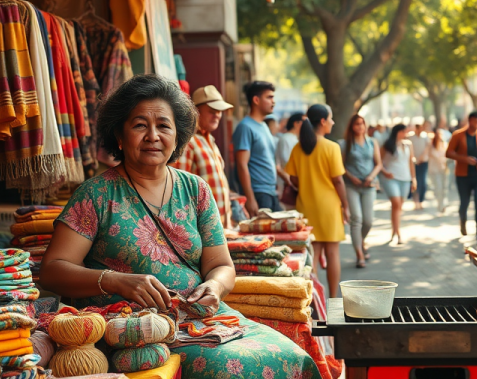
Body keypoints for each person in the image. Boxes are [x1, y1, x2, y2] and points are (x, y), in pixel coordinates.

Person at [41, 75, 319, 376]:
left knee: (293, 356)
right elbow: (53, 270)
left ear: (177, 136)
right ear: (119, 136)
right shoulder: (96, 194)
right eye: (139, 125)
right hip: (136, 331)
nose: (152, 136)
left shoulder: (195, 189)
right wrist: (116, 280)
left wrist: (214, 286)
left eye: (163, 125)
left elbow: (222, 265)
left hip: (204, 319)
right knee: (231, 370)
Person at [285, 104, 350, 298]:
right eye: (330, 118)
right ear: (322, 121)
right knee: (332, 254)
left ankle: (314, 302)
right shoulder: (332, 147)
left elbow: (293, 179)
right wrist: (346, 205)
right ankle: (332, 300)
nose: (333, 122)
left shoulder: (298, 147)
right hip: (329, 207)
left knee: (311, 256)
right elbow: (338, 180)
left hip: (306, 207)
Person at [172, 85, 234, 228]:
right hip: (200, 229)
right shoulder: (189, 142)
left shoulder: (210, 141)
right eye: (212, 111)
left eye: (219, 111)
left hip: (220, 229)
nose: (217, 115)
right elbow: (178, 190)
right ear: (195, 112)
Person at [446, 111, 477, 244]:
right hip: (462, 175)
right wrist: (464, 159)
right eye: (474, 120)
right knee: (465, 202)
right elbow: (448, 153)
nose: (476, 123)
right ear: (470, 120)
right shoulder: (458, 135)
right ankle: (463, 221)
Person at [339, 114, 383, 268]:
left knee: (368, 221)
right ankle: (359, 254)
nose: (360, 127)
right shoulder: (345, 144)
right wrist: (351, 177)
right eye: (356, 124)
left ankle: (361, 241)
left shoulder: (372, 142)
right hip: (352, 186)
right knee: (356, 218)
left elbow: (378, 164)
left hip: (369, 185)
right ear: (352, 126)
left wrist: (371, 177)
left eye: (362, 124)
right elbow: (340, 165)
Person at [233, 81, 280, 215]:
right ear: (256, 100)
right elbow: (242, 164)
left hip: (271, 192)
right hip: (258, 193)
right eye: (269, 97)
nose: (273, 102)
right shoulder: (245, 127)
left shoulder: (264, 126)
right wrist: (250, 199)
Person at [379, 124, 416, 244]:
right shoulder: (387, 144)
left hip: (405, 178)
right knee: (396, 203)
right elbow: (378, 160)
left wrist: (413, 178)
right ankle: (398, 233)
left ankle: (394, 231)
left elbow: (411, 162)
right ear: (398, 132)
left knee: (398, 207)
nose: (406, 133)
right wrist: (385, 172)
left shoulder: (408, 145)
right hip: (391, 178)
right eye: (404, 131)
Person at [275, 112, 304, 210]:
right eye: (304, 122)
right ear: (296, 123)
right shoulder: (286, 139)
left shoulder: (295, 139)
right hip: (289, 185)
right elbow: (287, 163)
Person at [408, 123, 431, 210]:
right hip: (414, 162)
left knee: (423, 182)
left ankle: (421, 200)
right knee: (415, 182)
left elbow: (427, 148)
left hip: (423, 161)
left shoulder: (425, 137)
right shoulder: (411, 137)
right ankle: (416, 201)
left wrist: (421, 157)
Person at [428, 128, 449, 213]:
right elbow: (433, 155)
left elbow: (446, 156)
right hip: (434, 170)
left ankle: (442, 204)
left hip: (443, 169)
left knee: (444, 188)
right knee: (438, 188)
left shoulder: (444, 144)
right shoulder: (431, 145)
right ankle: (440, 204)